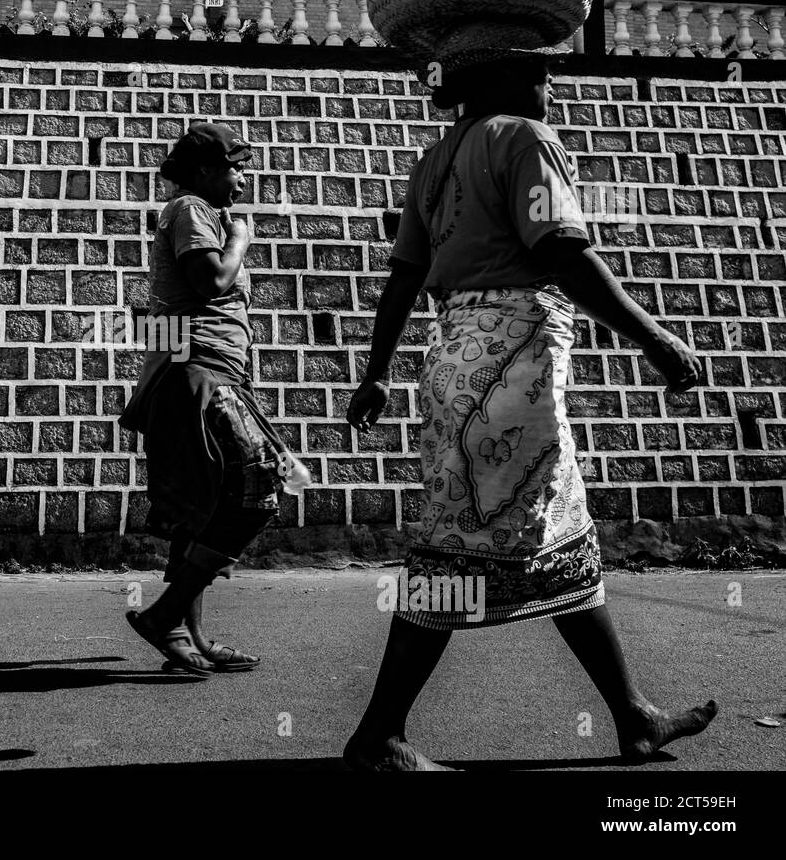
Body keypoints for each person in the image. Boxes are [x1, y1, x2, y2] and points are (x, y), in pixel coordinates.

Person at [343, 52, 718, 768]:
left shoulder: (437, 159)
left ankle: (633, 716)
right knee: (461, 544)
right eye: (542, 73)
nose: (552, 86)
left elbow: (404, 278)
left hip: (456, 360)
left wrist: (375, 373)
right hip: (511, 369)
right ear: (504, 78)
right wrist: (657, 338)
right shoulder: (524, 139)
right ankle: (379, 734)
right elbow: (565, 255)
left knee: (557, 534)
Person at [119, 122, 301, 677]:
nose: (242, 179)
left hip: (207, 369)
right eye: (234, 167)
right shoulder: (193, 208)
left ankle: (188, 636)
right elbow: (210, 283)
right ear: (203, 170)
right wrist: (242, 238)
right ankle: (166, 617)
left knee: (201, 504)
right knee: (260, 483)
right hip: (195, 372)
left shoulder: (201, 212)